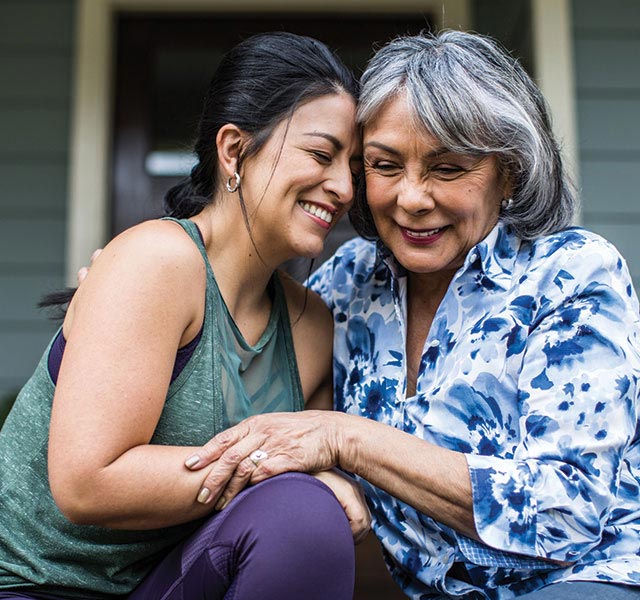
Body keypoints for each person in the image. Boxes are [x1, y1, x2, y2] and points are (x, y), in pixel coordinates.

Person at [185, 30, 640, 599]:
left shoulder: (573, 273)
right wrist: (145, 291)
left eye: (448, 169)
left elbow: (562, 511)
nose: (412, 198)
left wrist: (347, 441)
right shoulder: (347, 282)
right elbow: (248, 403)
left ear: (511, 174)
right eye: (384, 165)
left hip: (585, 579)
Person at [0, 32, 369, 600]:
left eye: (354, 165)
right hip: (34, 586)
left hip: (165, 584)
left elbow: (304, 501)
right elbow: (86, 483)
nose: (344, 187)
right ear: (233, 151)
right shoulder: (158, 261)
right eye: (321, 155)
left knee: (303, 516)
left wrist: (313, 479)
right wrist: (278, 467)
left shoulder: (311, 324)